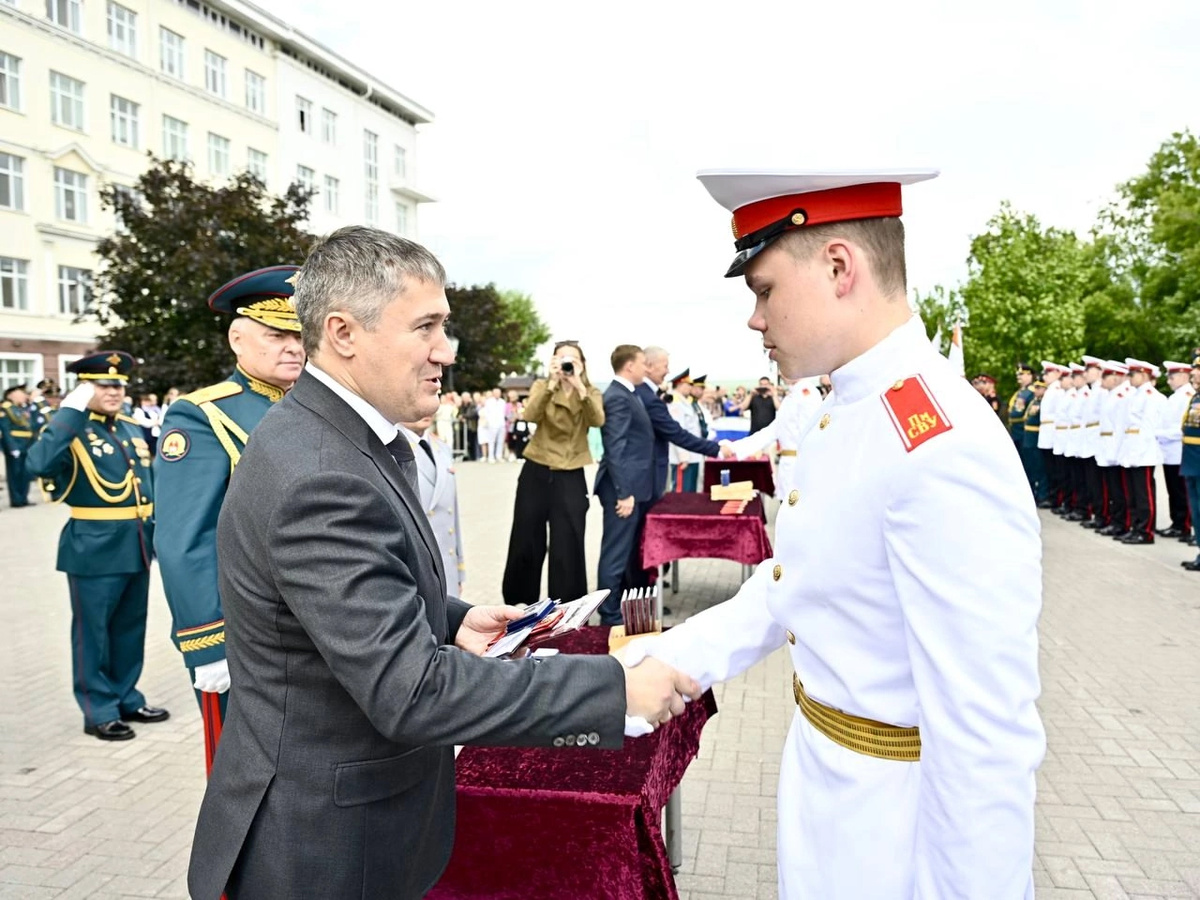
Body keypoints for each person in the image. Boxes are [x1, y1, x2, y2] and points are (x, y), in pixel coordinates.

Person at [187, 227, 699, 900]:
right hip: (325, 851)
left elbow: (342, 594)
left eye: (444, 325)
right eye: (424, 326)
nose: (445, 350)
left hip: (357, 827)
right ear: (343, 333)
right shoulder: (322, 470)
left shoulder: (338, 436)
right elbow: (411, 691)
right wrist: (613, 690)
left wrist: (452, 619)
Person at [625, 168, 1045, 898]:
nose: (755, 319)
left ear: (839, 267)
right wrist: (665, 659)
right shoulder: (845, 408)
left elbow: (985, 736)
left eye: (764, 290)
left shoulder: (940, 443)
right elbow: (798, 583)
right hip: (831, 787)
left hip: (895, 831)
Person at [152, 265, 305, 772]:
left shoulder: (315, 406)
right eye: (277, 335)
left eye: (300, 335)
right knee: (248, 776)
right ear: (238, 339)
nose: (293, 347)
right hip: (248, 635)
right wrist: (207, 643)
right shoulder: (202, 415)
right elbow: (184, 539)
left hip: (315, 624)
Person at [25, 351, 169, 741]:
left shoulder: (128, 427)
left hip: (136, 543)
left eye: (119, 385)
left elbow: (147, 484)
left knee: (129, 629)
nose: (114, 392)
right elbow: (38, 464)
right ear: (84, 389)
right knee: (94, 634)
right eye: (103, 385)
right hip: (94, 547)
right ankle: (98, 710)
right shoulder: (71, 429)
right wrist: (69, 413)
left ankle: (127, 697)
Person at [501, 340, 604, 607]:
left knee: (568, 542)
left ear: (582, 364)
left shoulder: (590, 390)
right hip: (537, 468)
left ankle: (567, 606)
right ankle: (519, 603)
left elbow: (597, 420)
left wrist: (579, 386)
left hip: (570, 472)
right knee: (526, 537)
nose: (567, 364)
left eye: (573, 359)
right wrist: (551, 383)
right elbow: (530, 415)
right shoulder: (542, 386)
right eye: (561, 359)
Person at [593, 344, 656, 625]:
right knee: (615, 553)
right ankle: (609, 614)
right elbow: (615, 448)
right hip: (622, 489)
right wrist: (624, 493)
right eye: (643, 363)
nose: (646, 368)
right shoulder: (618, 396)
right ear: (629, 365)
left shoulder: (628, 393)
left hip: (631, 486)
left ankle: (616, 608)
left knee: (622, 551)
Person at [399, 414, 465, 598]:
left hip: (447, 566)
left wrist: (459, 571)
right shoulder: (393, 449)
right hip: (419, 573)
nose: (426, 410)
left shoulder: (442, 448)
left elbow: (453, 514)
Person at [1117, 359, 1165, 544]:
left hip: (1143, 451)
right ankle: (1136, 527)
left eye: (1132, 374)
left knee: (1143, 494)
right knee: (1133, 494)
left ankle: (1146, 531)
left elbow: (1149, 428)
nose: (1129, 378)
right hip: (1132, 449)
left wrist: (1138, 452)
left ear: (1144, 375)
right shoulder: (1135, 394)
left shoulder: (1151, 396)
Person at [1156, 360, 1195, 538]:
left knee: (1181, 492)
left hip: (1179, 451)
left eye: (1171, 377)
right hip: (1169, 452)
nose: (1169, 381)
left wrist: (1160, 434)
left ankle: (1184, 525)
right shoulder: (1175, 397)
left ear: (1182, 376)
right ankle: (1177, 523)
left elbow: (1182, 427)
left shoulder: (1187, 395)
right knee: (1172, 490)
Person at [1178, 357, 1200, 570]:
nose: (1193, 373)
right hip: (1191, 460)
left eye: (1198, 369)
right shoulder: (1195, 398)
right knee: (1196, 510)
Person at [666, 369, 703, 492]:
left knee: (690, 493)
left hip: (693, 455)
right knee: (681, 493)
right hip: (683, 458)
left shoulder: (685, 402)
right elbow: (677, 431)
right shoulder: (675, 403)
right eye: (688, 384)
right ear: (680, 384)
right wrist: (683, 456)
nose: (690, 387)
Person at [0, 384, 34, 507]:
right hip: (15, 444)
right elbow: (5, 430)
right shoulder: (6, 409)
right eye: (21, 393)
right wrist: (12, 447)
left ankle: (24, 498)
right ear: (11, 395)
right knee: (15, 473)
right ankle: (16, 499)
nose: (24, 396)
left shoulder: (20, 408)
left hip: (26, 444)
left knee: (25, 473)